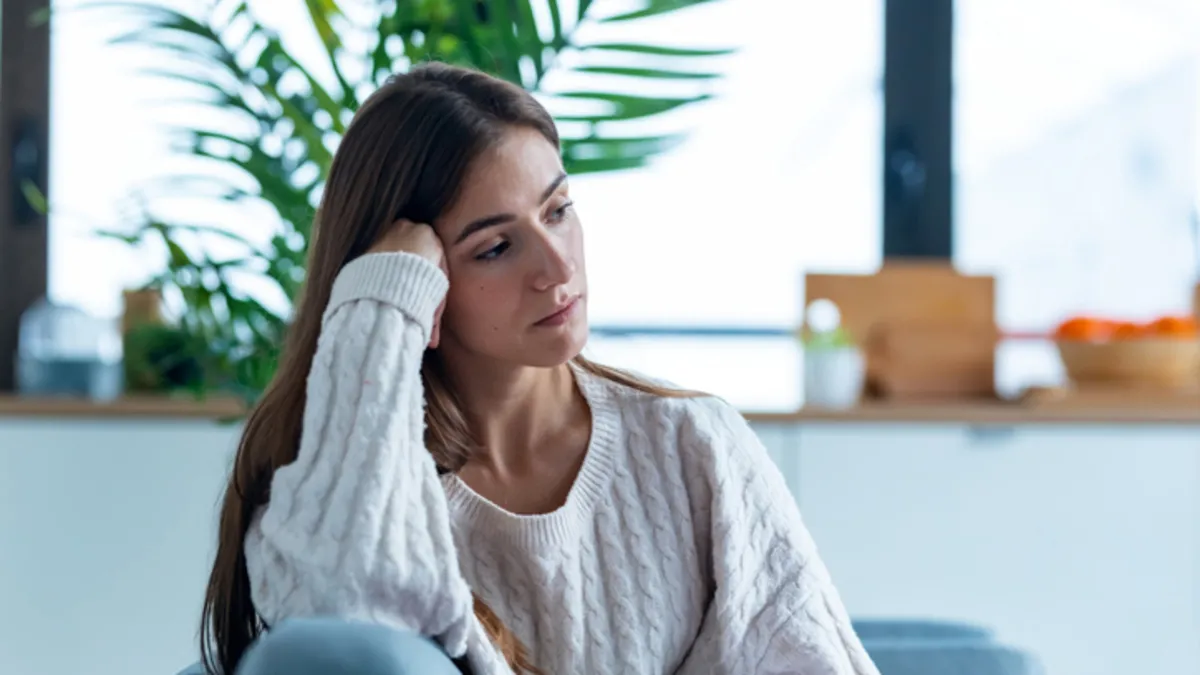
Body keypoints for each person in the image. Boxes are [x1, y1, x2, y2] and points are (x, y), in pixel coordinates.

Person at [197, 62, 880, 675]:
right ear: (420, 280)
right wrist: (379, 306)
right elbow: (341, 637)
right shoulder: (343, 480)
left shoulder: (692, 443)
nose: (557, 267)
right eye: (495, 247)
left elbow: (812, 657)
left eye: (559, 210)